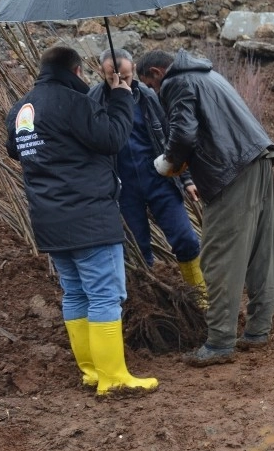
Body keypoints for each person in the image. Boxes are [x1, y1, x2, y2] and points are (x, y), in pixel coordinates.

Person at [5, 46, 158, 395]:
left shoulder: (22, 108)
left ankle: (91, 371)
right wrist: (120, 97)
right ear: (75, 72)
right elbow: (113, 139)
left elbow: (13, 149)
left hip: (48, 219)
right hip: (88, 217)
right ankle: (114, 377)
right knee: (105, 296)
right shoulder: (74, 103)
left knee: (75, 293)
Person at [136, 48, 274, 367]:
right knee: (261, 251)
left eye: (151, 86)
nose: (155, 93)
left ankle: (219, 342)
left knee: (218, 257)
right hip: (258, 161)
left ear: (157, 74)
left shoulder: (176, 83)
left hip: (230, 172)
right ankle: (257, 331)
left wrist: (168, 162)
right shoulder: (209, 75)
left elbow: (184, 133)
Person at [89, 49, 207, 301]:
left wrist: (186, 179)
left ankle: (201, 298)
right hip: (123, 188)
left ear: (133, 69)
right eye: (112, 78)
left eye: (126, 77)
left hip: (159, 179)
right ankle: (151, 301)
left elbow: (171, 137)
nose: (120, 82)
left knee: (186, 238)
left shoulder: (149, 96)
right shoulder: (94, 102)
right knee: (138, 250)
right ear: (102, 73)